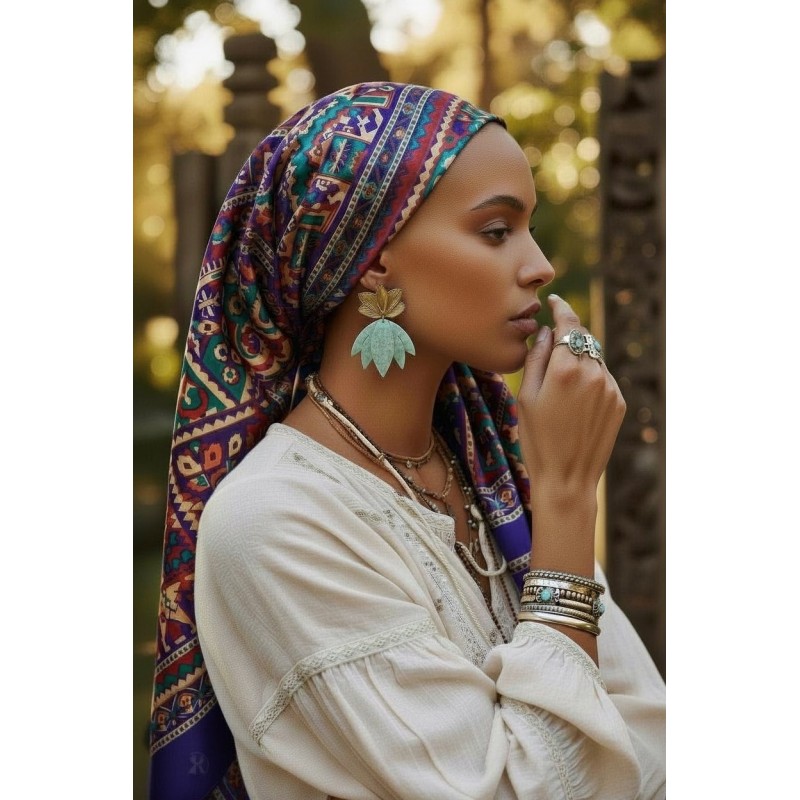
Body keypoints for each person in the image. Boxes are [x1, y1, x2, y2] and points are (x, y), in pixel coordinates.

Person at [148, 81, 666, 800]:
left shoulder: (488, 471)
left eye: (528, 228)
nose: (540, 266)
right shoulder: (274, 522)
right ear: (374, 257)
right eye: (497, 231)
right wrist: (569, 498)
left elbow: (654, 740)